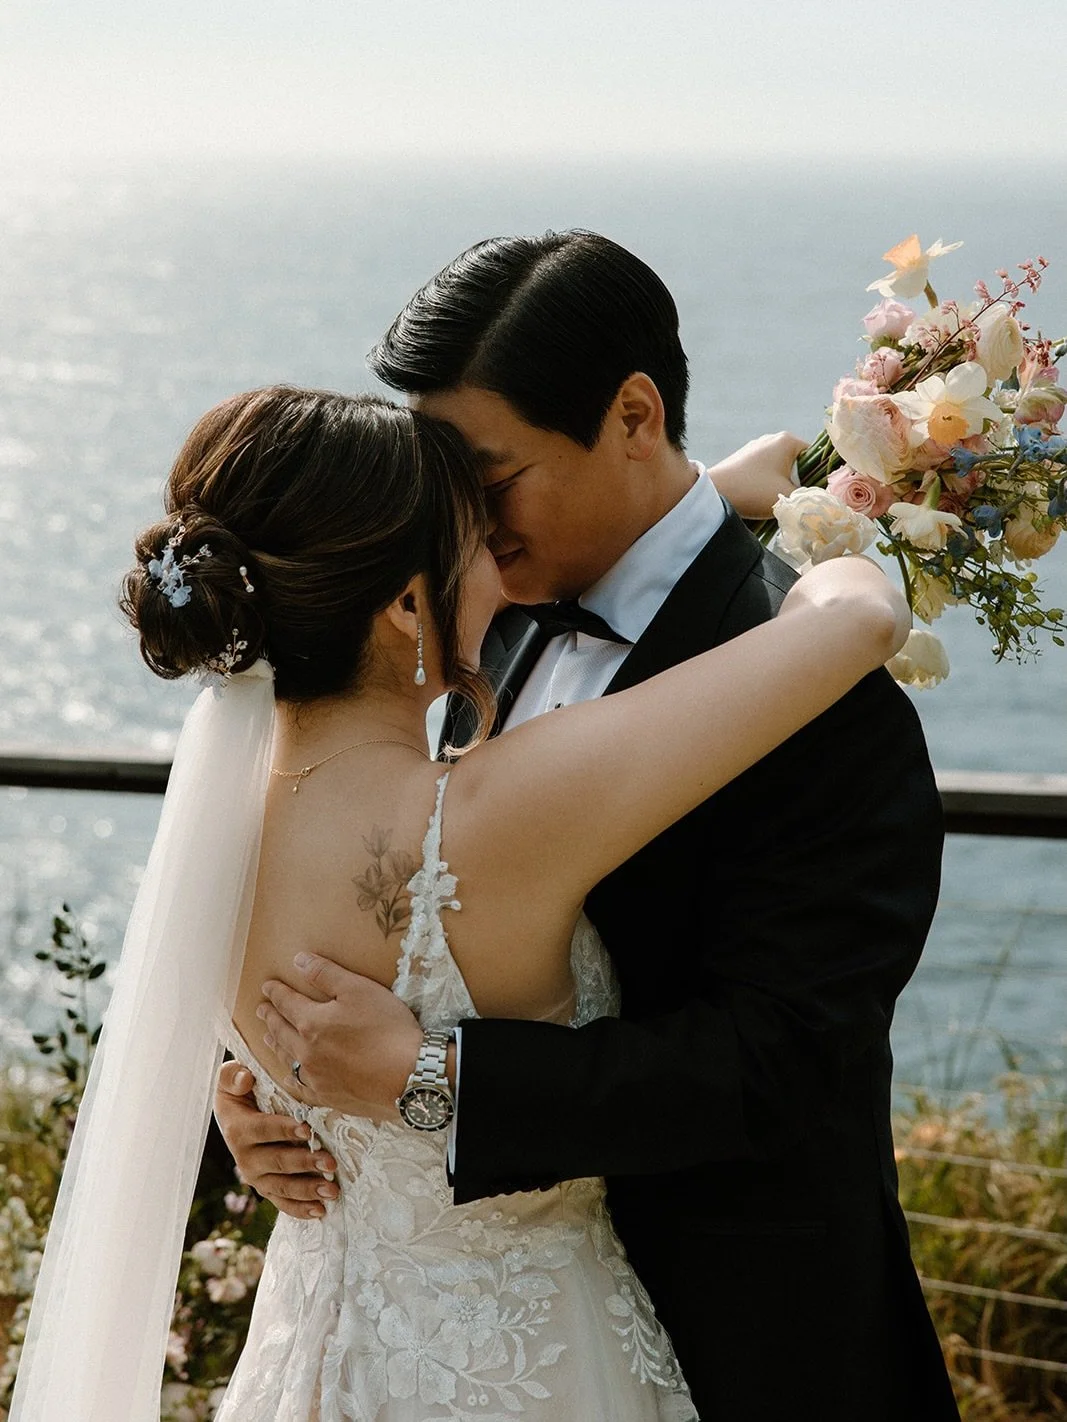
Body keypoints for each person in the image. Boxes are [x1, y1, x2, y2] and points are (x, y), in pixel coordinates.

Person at [14, 377, 909, 1422]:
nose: (509, 571)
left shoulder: (217, 834)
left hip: (312, 1357)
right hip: (528, 1372)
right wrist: (817, 525)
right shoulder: (497, 811)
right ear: (403, 605)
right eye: (479, 542)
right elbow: (857, 616)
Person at [217, 233, 962, 1420]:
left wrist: (434, 1089)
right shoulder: (458, 620)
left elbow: (786, 1061)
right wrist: (272, 1096)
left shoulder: (810, 691)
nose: (454, 522)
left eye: (485, 478)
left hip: (736, 1339)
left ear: (630, 412)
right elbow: (365, 888)